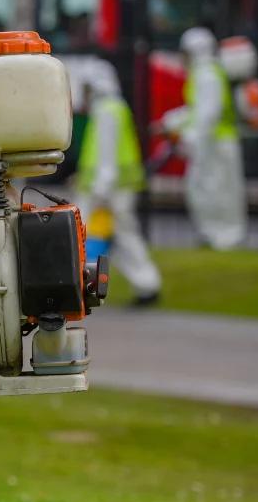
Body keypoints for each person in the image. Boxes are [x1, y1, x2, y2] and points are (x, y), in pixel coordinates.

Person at [75, 60, 161, 306]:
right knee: (121, 236)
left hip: (106, 189)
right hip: (114, 187)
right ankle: (146, 285)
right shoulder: (115, 107)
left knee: (99, 235)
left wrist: (101, 190)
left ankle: (86, 288)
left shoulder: (105, 110)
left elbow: (106, 155)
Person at [166, 27, 247, 250]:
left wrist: (191, 138)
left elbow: (208, 114)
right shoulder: (206, 72)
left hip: (215, 144)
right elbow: (197, 110)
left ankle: (225, 239)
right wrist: (171, 121)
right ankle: (214, 236)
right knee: (209, 189)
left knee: (217, 191)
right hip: (213, 142)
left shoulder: (207, 74)